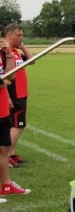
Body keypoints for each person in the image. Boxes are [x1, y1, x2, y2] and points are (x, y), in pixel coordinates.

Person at [0, 37, 31, 202]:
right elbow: (4, 80)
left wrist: (9, 56)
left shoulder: (2, 54)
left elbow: (9, 77)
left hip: (2, 107)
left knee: (4, 148)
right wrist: (4, 81)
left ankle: (6, 185)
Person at [5, 24, 33, 168]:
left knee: (15, 125)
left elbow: (32, 61)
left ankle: (12, 155)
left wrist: (22, 47)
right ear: (9, 35)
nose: (21, 38)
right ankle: (6, 156)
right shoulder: (4, 52)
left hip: (22, 93)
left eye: (22, 35)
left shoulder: (16, 51)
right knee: (18, 126)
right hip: (13, 93)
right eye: (18, 35)